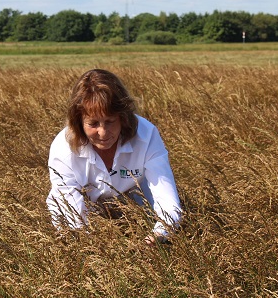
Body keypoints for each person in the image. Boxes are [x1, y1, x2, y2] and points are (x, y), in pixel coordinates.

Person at [46, 68, 182, 245]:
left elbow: (168, 200)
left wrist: (158, 235)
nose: (102, 133)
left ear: (123, 117)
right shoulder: (63, 147)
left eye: (110, 121)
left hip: (136, 203)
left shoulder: (146, 135)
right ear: (78, 121)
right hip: (85, 211)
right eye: (93, 124)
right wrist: (95, 246)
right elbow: (72, 213)